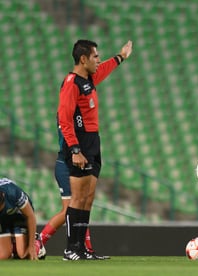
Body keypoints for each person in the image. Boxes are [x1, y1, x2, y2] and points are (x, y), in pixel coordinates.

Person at [57, 39, 132, 260]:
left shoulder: (87, 80)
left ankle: (82, 248)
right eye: (95, 56)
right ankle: (70, 248)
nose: (98, 60)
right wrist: (74, 149)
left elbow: (104, 71)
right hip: (79, 144)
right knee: (77, 198)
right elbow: (65, 119)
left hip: (93, 142)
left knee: (88, 197)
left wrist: (120, 57)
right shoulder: (71, 83)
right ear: (83, 58)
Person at [39, 127, 108, 259]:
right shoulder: (68, 114)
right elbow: (68, 134)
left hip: (72, 161)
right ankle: (40, 241)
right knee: (71, 209)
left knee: (80, 206)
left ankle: (84, 248)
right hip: (66, 163)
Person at [0, 177, 46, 260]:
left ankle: (36, 241)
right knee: (3, 256)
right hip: (3, 220)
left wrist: (31, 246)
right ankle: (14, 246)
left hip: (19, 217)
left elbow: (30, 216)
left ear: (3, 196)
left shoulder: (13, 192)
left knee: (23, 254)